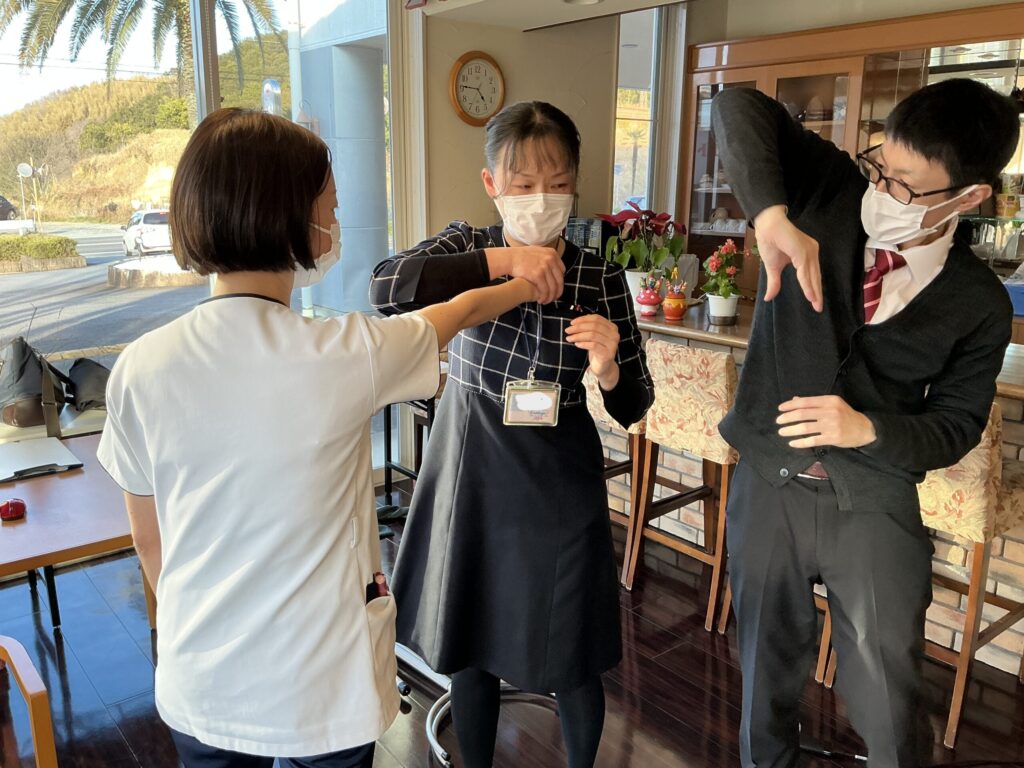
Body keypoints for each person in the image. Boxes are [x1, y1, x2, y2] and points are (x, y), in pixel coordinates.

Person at [95, 108, 537, 768]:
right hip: (326, 690)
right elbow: (457, 312)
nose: (334, 222)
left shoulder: (139, 367)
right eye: (329, 206)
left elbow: (149, 542)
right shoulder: (345, 352)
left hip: (202, 685)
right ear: (290, 219)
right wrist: (526, 281)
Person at [710, 79, 1019, 767]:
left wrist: (868, 430)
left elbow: (956, 425)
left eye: (907, 186)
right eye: (883, 167)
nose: (883, 191)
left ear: (969, 197)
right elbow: (736, 105)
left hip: (875, 497)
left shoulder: (978, 302)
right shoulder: (828, 190)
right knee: (763, 671)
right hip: (770, 482)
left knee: (887, 689)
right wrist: (769, 215)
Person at [369, 101, 654, 768]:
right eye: (522, 183)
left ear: (576, 184)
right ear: (491, 183)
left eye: (557, 182)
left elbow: (635, 404)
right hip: (470, 463)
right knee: (470, 643)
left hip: (561, 472)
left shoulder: (600, 275)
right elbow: (385, 287)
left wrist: (609, 367)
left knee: (573, 649)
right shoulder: (467, 247)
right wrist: (503, 260)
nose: (540, 198)